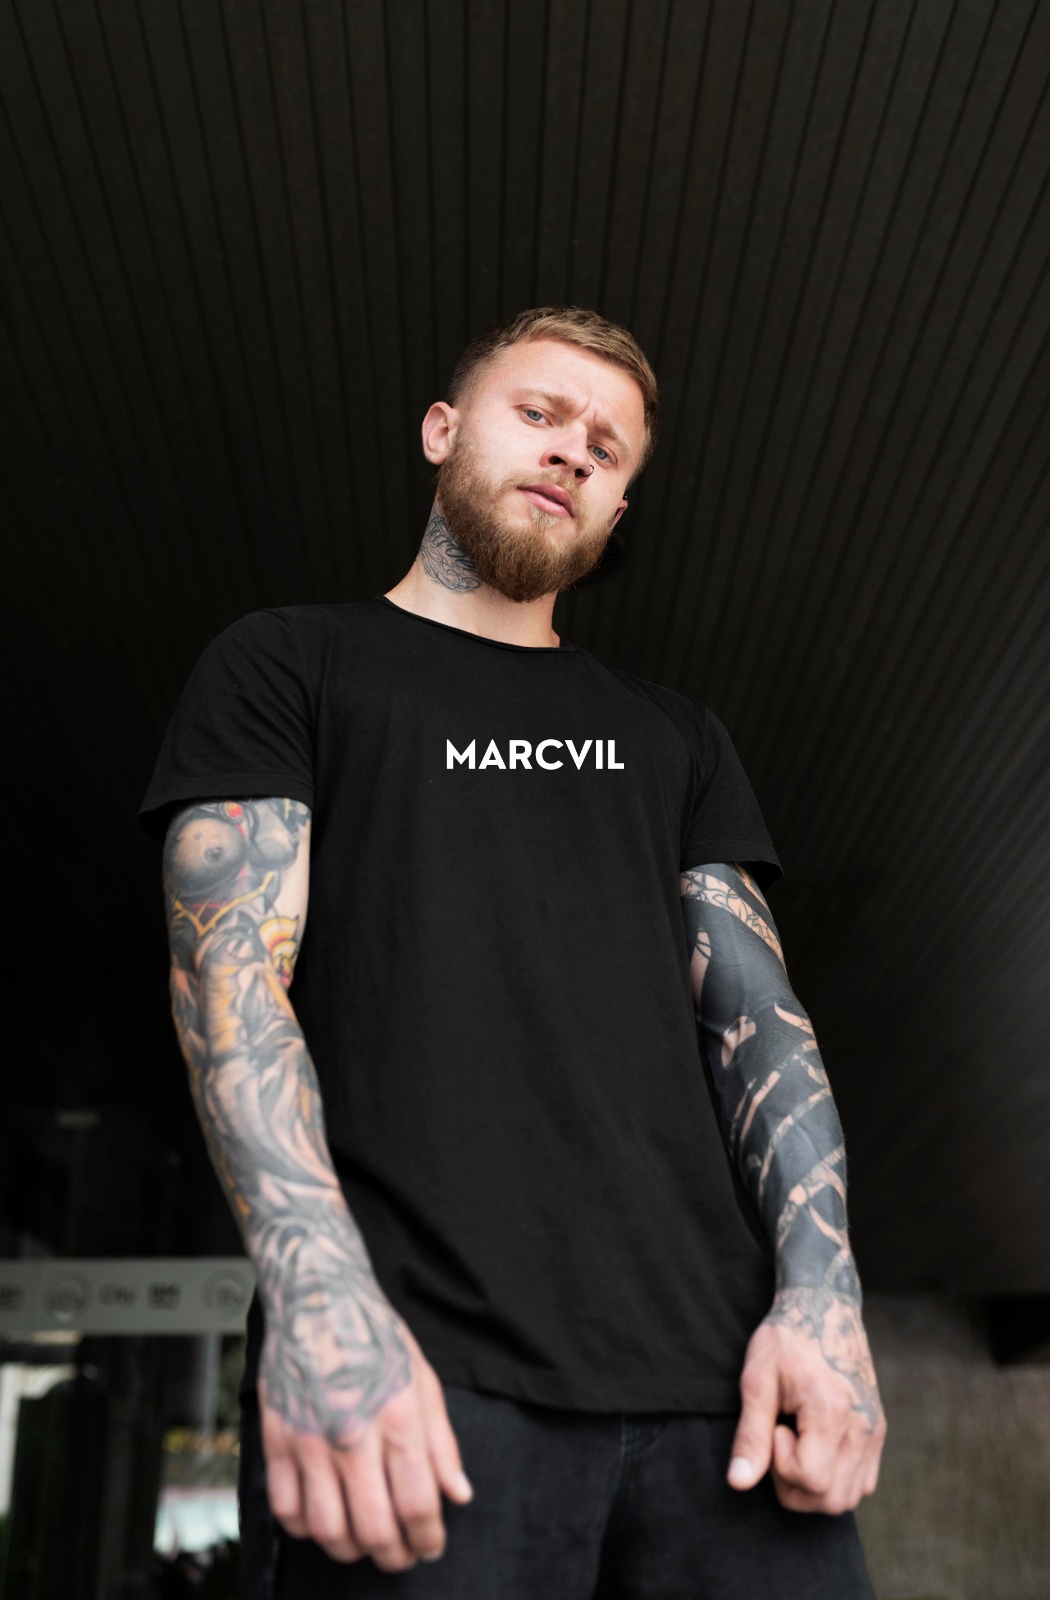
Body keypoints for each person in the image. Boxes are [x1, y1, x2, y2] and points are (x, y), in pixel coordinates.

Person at [141, 306, 886, 1598]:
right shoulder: (291, 663)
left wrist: (824, 1303)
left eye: (608, 447)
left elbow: (761, 1026)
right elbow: (231, 983)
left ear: (618, 508)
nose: (572, 450)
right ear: (442, 430)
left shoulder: (675, 736)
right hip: (420, 1384)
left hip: (725, 1405)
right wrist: (322, 1304)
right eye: (538, 412)